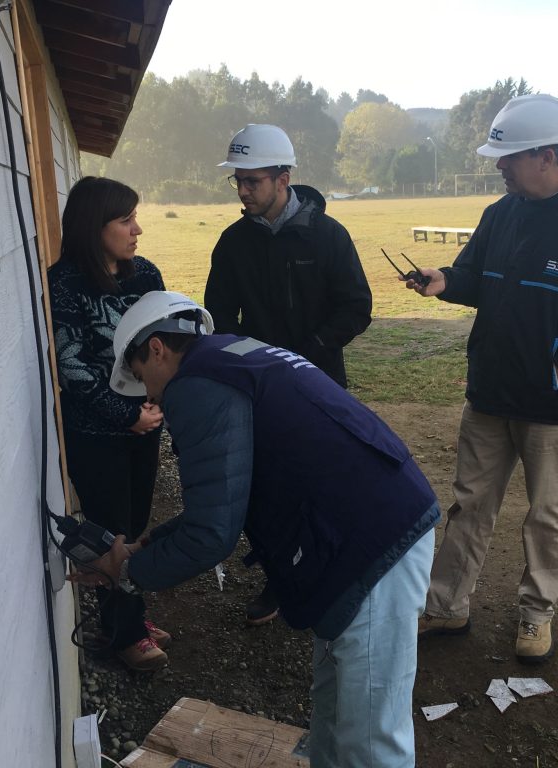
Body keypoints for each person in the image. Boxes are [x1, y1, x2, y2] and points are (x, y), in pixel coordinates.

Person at [70, 291, 439, 768]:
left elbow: (211, 534)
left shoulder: (196, 386)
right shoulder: (234, 354)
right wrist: (146, 545)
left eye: (143, 379)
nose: (150, 397)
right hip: (364, 523)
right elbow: (223, 497)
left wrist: (128, 570)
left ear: (157, 348)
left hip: (371, 542)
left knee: (372, 740)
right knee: (334, 718)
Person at [405, 94, 558, 664]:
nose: (499, 166)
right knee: (470, 503)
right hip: (490, 393)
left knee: (547, 512)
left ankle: (536, 614)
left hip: (555, 402)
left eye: (509, 157)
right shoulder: (501, 214)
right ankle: (446, 606)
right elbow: (475, 276)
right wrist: (445, 280)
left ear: (548, 156)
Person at [205, 123, 373, 624]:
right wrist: (251, 362)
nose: (242, 190)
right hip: (256, 389)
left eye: (252, 180)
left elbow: (356, 307)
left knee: (323, 481)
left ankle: (333, 573)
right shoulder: (233, 243)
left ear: (284, 178)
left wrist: (307, 353)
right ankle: (280, 576)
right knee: (265, 486)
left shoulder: (327, 235)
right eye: (237, 180)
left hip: (320, 385)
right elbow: (219, 316)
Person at [48, 176, 172, 671]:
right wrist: (128, 415)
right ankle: (125, 635)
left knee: (137, 525)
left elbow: (167, 342)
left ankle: (131, 616)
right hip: (98, 434)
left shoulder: (144, 275)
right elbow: (72, 366)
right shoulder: (65, 284)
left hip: (147, 422)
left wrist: (158, 405)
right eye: (125, 220)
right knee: (110, 536)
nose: (137, 229)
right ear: (93, 225)